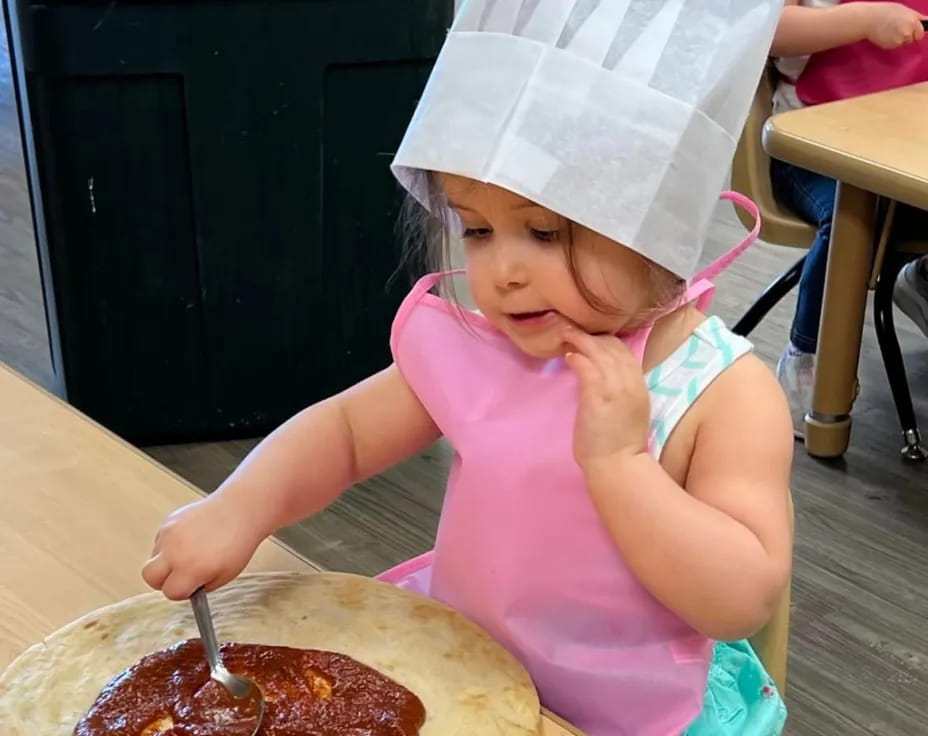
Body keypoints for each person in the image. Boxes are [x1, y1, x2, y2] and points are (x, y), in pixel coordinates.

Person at [142, 2, 793, 734]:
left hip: (627, 714)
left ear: (657, 222)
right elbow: (347, 433)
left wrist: (620, 465)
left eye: (544, 231)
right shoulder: (488, 347)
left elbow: (740, 600)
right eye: (478, 229)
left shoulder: (722, 394)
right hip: (463, 672)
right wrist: (241, 506)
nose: (504, 271)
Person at [770, 0, 928, 431]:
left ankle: (920, 278)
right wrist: (864, 20)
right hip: (812, 145)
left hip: (908, 140)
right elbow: (771, 31)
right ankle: (810, 358)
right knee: (857, 214)